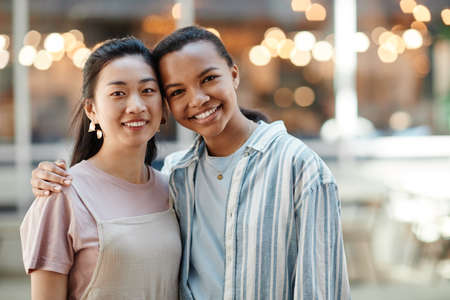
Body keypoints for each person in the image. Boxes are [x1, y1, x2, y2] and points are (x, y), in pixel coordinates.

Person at [30, 26, 351, 299]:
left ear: (234, 74)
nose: (197, 100)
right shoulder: (178, 175)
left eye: (209, 79)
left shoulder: (300, 170)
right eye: (178, 90)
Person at [21, 37, 181, 300]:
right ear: (91, 109)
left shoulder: (175, 189)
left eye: (148, 91)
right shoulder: (63, 194)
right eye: (118, 93)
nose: (136, 106)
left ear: (163, 107)